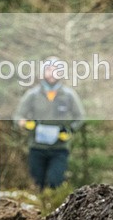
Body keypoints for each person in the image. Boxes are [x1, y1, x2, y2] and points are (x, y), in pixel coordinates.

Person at [12, 56, 85, 189]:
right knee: (37, 182)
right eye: (49, 69)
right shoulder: (32, 94)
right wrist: (26, 124)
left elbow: (80, 117)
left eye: (56, 70)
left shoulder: (69, 95)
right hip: (37, 147)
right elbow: (18, 116)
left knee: (55, 182)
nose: (52, 73)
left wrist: (70, 130)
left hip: (59, 148)